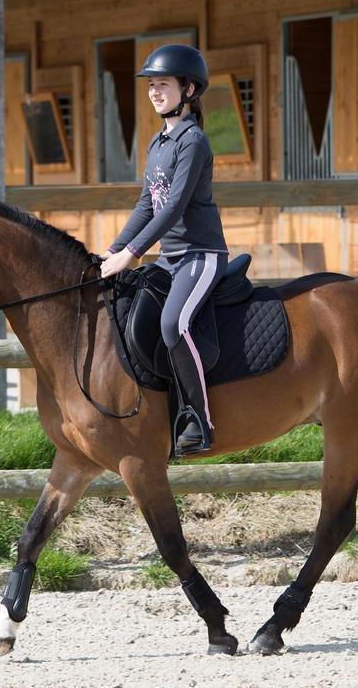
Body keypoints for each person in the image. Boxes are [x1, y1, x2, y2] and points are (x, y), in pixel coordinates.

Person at [99, 44, 229, 455]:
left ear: (189, 89)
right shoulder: (159, 143)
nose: (155, 92)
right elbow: (147, 204)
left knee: (175, 325)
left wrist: (132, 253)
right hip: (169, 258)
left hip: (200, 255)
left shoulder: (193, 142)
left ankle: (199, 419)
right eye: (151, 85)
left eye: (163, 85)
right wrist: (114, 249)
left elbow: (173, 208)